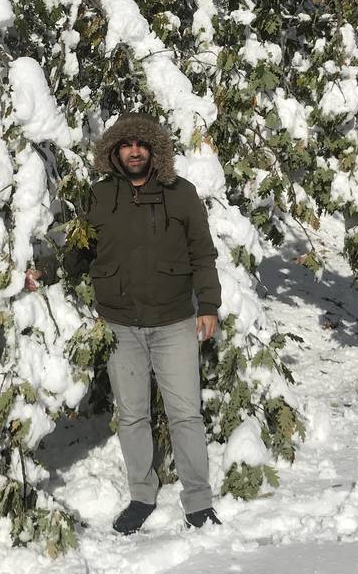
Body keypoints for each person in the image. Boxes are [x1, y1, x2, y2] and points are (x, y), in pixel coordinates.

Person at [26, 111, 223, 534]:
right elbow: (79, 252)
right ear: (113, 152)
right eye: (126, 145)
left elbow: (202, 255)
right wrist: (47, 271)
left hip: (174, 322)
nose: (134, 152)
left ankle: (198, 501)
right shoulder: (99, 197)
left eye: (142, 144)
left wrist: (208, 305)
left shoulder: (181, 194)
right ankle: (141, 495)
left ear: (154, 150)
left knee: (185, 415)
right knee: (133, 416)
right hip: (120, 327)